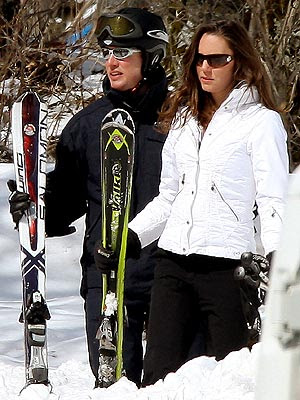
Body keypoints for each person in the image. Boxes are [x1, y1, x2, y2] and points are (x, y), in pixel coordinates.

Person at [95, 19, 289, 386]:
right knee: (158, 376)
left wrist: (279, 256)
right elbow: (170, 195)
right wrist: (131, 237)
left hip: (227, 268)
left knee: (227, 379)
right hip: (172, 265)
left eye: (217, 59)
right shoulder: (185, 118)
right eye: (200, 59)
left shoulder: (262, 123)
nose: (205, 67)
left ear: (241, 62)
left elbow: (273, 198)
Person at [8, 7, 169, 388]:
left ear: (152, 57)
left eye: (123, 54)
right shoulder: (87, 125)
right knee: (114, 388)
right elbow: (65, 205)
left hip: (172, 275)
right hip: (106, 274)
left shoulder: (181, 118)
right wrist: (33, 206)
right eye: (108, 53)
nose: (111, 63)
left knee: (180, 385)